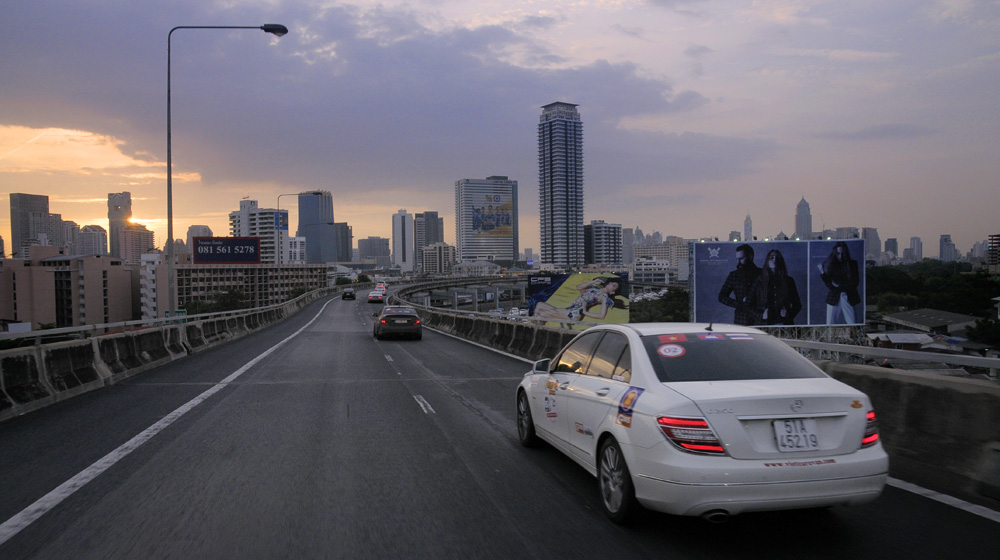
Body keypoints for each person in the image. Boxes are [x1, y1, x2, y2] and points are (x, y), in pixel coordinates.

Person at [533, 277, 622, 322]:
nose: (610, 284)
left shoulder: (604, 298)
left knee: (541, 314)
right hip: (570, 309)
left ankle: (535, 330)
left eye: (613, 285)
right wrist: (593, 282)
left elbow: (602, 316)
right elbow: (579, 287)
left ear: (613, 292)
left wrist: (585, 312)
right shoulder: (595, 288)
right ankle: (537, 327)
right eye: (611, 282)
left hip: (574, 314)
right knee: (540, 304)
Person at [750, 249, 801, 325]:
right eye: (771, 257)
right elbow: (748, 305)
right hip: (764, 324)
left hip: (784, 324)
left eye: (777, 258)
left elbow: (797, 305)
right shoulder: (759, 281)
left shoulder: (788, 281)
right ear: (767, 260)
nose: (775, 260)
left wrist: (789, 314)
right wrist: (761, 315)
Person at [717, 244, 761, 325]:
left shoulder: (762, 274)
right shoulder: (734, 275)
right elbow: (721, 296)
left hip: (759, 319)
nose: (738, 262)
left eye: (741, 258)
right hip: (741, 320)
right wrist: (740, 304)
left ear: (750, 257)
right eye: (737, 259)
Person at [818, 241, 860, 324]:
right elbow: (830, 285)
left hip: (849, 296)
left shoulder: (852, 264)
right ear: (835, 253)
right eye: (838, 253)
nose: (840, 256)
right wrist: (822, 273)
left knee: (853, 323)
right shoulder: (832, 265)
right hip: (834, 297)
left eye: (842, 253)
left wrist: (839, 286)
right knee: (829, 324)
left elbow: (855, 282)